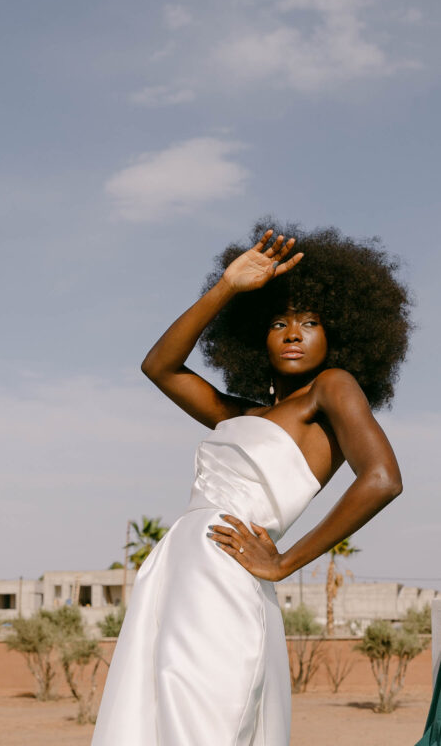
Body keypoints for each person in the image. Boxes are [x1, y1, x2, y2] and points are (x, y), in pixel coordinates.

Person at [91, 220, 412, 746]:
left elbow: (382, 479)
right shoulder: (240, 412)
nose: (292, 333)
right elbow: (160, 366)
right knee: (154, 718)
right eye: (278, 322)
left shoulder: (331, 389)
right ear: (254, 338)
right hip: (176, 570)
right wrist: (226, 287)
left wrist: (283, 563)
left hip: (227, 571)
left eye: (310, 321)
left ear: (338, 335)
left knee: (209, 716)